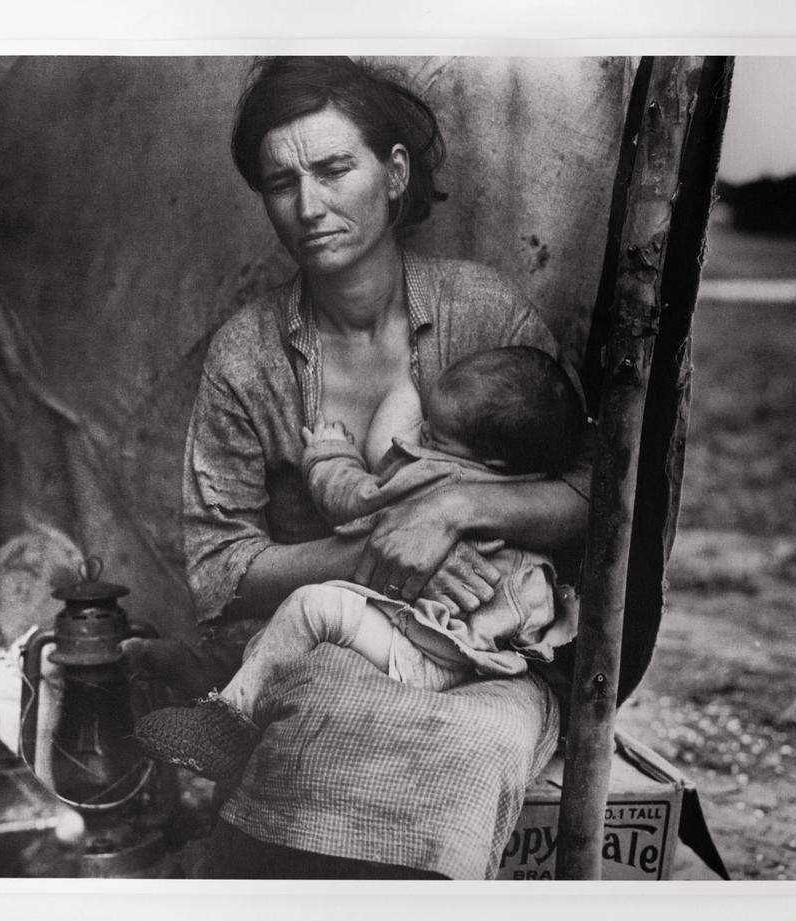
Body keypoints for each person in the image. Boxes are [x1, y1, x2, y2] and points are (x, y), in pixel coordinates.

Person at [126, 55, 591, 879]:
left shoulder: (485, 314)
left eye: (335, 168)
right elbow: (219, 571)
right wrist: (374, 553)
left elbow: (591, 499)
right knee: (315, 739)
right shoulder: (248, 353)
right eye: (282, 183)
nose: (309, 206)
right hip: (331, 648)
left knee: (473, 749)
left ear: (395, 173)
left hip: (487, 658)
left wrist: (451, 513)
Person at [136, 346, 587, 784]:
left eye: (433, 436)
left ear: (490, 461)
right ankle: (218, 680)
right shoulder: (526, 490)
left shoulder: (441, 475)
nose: (419, 435)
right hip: (472, 652)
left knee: (311, 608)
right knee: (304, 634)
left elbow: (354, 500)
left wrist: (330, 453)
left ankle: (227, 726)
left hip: (434, 656)